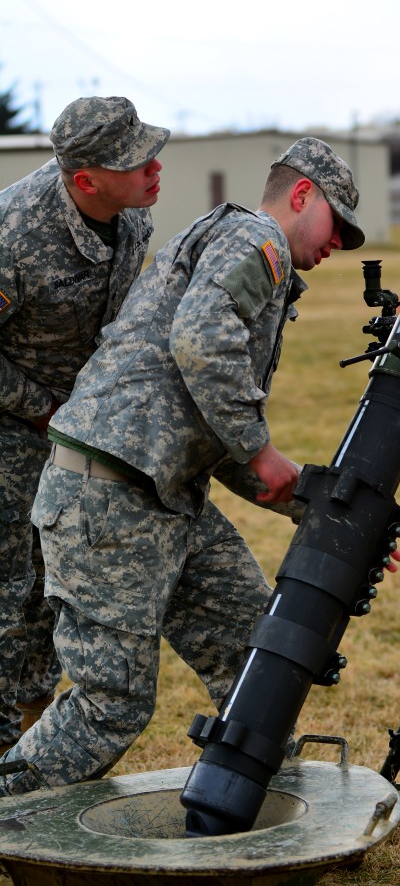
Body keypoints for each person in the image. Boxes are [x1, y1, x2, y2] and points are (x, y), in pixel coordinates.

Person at [0, 136, 370, 796]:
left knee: (252, 648)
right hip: (107, 496)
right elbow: (200, 343)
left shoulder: (256, 257)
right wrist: (263, 451)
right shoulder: (256, 242)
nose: (339, 242)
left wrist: (310, 506)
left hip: (163, 491)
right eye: (337, 223)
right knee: (107, 710)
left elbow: (206, 419)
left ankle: (252, 799)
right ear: (302, 194)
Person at [0, 96, 170, 757]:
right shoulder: (15, 234)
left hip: (78, 420)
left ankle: (33, 740)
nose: (155, 167)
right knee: (16, 593)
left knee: (60, 581)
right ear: (84, 180)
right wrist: (42, 407)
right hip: (16, 424)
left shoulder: (129, 212)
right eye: (135, 161)